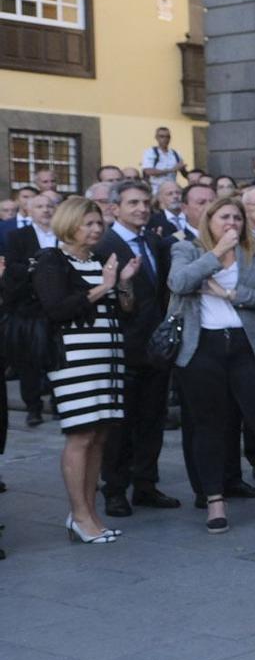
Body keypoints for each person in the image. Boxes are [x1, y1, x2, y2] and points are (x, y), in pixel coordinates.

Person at [167, 196, 255, 533]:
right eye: (225, 217)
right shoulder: (188, 249)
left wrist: (233, 295)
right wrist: (215, 255)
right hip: (202, 348)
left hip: (248, 346)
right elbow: (179, 283)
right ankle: (215, 499)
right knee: (208, 426)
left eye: (237, 218)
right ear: (209, 220)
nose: (232, 224)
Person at [36, 196, 136, 543]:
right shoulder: (52, 261)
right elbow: (57, 309)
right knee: (80, 436)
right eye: (88, 223)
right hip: (74, 362)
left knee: (99, 436)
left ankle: (90, 513)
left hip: (106, 359)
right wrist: (103, 287)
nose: (96, 229)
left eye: (99, 223)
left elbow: (123, 310)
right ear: (69, 224)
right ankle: (79, 515)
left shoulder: (98, 261)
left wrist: (122, 282)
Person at [97, 181, 179, 517]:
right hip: (120, 347)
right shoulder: (103, 245)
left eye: (146, 202)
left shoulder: (155, 242)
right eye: (133, 203)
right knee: (120, 426)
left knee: (151, 419)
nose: (142, 208)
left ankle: (145, 483)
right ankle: (115, 489)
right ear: (114, 208)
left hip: (155, 349)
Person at [5, 189, 61, 425]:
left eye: (49, 206)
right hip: (29, 308)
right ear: (28, 210)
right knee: (30, 361)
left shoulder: (63, 234)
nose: (45, 210)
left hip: (59, 306)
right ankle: (33, 407)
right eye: (39, 206)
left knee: (59, 358)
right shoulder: (19, 236)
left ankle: (60, 404)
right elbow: (12, 268)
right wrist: (34, 269)